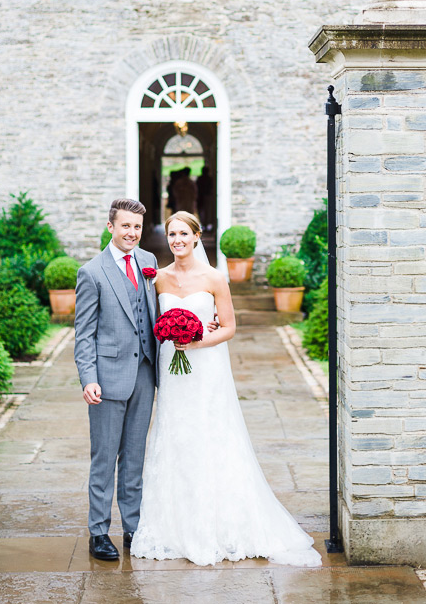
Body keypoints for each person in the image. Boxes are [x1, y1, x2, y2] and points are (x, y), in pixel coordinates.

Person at [131, 210, 321, 567]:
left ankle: (220, 522)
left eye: (184, 234)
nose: (177, 241)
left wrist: (198, 342)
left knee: (211, 434)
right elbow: (149, 322)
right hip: (172, 375)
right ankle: (176, 525)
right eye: (171, 235)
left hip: (206, 369)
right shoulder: (157, 279)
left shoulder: (215, 278)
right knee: (176, 435)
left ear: (196, 237)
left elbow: (229, 328)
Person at [74, 198, 216, 562]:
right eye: (125, 226)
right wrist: (88, 378)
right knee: (104, 458)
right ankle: (98, 532)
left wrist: (203, 324)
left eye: (137, 227)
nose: (132, 233)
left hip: (145, 374)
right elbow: (84, 334)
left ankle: (133, 527)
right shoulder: (92, 272)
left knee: (134, 458)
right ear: (111, 227)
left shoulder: (149, 263)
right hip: (106, 380)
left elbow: (161, 309)